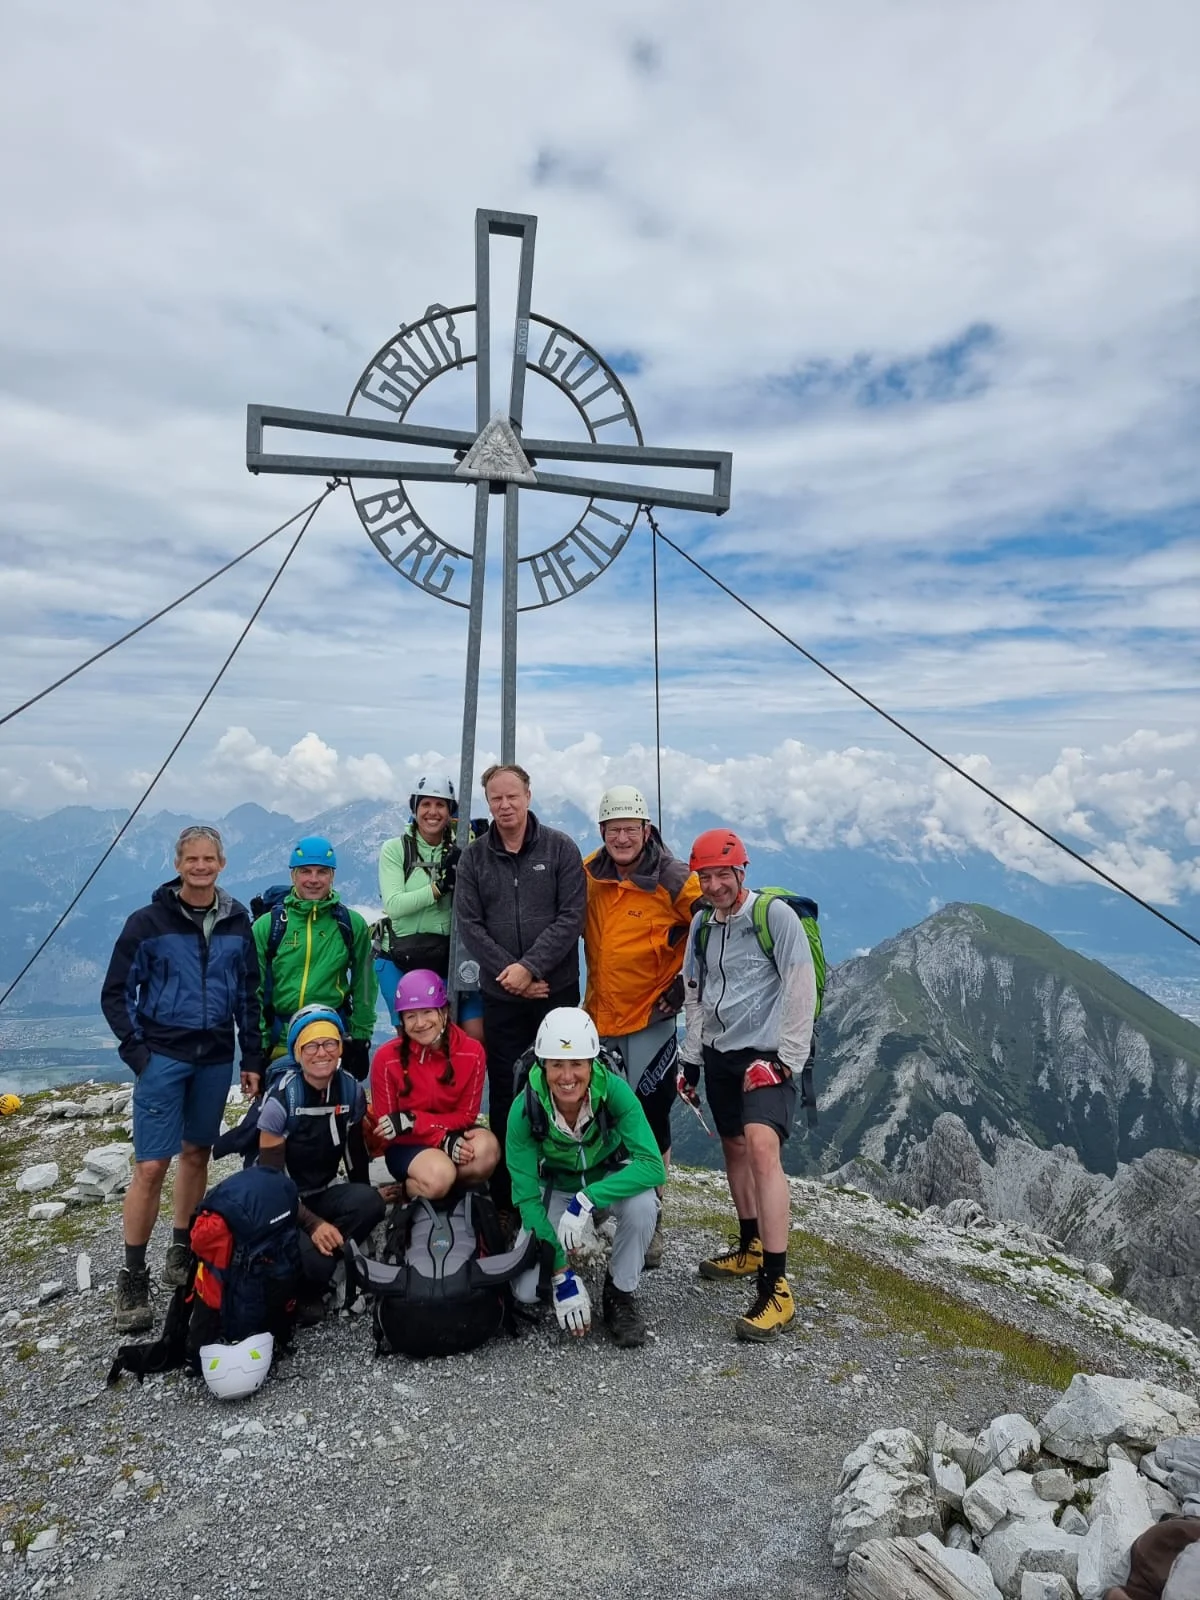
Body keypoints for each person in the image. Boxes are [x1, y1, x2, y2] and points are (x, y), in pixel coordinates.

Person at [101, 824, 264, 1333]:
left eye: (208, 859)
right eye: (191, 859)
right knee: (151, 1166)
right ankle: (133, 1274)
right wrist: (138, 1053)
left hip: (215, 1056)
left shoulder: (236, 921)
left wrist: (251, 1057)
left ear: (222, 864)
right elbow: (116, 992)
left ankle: (182, 1249)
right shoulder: (147, 922)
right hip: (163, 1056)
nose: (200, 867)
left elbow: (248, 994)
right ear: (177, 865)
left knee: (197, 1154)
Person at [677, 828, 816, 1342]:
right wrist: (691, 1061)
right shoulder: (701, 926)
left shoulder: (773, 917)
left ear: (741, 871)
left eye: (722, 874)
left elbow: (801, 988)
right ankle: (750, 1245)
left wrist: (786, 1063)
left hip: (767, 1055)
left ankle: (776, 1288)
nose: (714, 885)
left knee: (761, 1150)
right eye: (705, 876)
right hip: (719, 1054)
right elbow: (695, 991)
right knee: (734, 1147)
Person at [454, 763, 586, 1208]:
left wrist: (529, 968)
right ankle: (508, 1194)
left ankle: (562, 1180)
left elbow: (572, 917)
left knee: (563, 1082)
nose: (505, 805)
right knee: (507, 1087)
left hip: (555, 992)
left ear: (528, 795)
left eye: (512, 796)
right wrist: (512, 976)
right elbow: (470, 925)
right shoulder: (474, 857)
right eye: (496, 798)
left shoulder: (560, 848)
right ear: (488, 803)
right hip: (502, 995)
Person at [583, 785, 702, 1269]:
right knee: (597, 1113)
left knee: (651, 1118)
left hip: (651, 1019)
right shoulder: (590, 874)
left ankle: (652, 1217)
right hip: (600, 1015)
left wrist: (686, 981)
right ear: (602, 831)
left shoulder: (673, 878)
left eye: (630, 829)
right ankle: (598, 1200)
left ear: (646, 829)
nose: (622, 838)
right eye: (614, 830)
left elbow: (713, 923)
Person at [506, 1007, 664, 1348]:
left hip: (605, 1181)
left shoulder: (614, 1091)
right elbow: (527, 1198)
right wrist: (561, 1274)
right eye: (557, 1065)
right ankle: (566, 1271)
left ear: (592, 1064)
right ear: (542, 1065)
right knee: (527, 1291)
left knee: (643, 1205)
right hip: (557, 1186)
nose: (567, 1076)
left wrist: (587, 1199)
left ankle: (619, 1292)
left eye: (577, 1063)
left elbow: (653, 1166)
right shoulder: (524, 1109)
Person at [256, 1004, 385, 1323]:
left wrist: (367, 1196)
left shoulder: (350, 1091)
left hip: (322, 1191)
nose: (322, 1053)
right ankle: (308, 1279)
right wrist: (313, 1225)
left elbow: (354, 1157)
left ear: (341, 1047)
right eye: (311, 1045)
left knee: (371, 1203)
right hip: (283, 1203)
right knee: (318, 1264)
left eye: (330, 1043)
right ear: (297, 1052)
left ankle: (326, 1254)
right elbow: (271, 1184)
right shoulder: (281, 1101)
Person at [252, 835, 378, 1079]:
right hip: (281, 1039)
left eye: (322, 872)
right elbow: (254, 989)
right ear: (293, 876)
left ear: (332, 876)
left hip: (330, 1039)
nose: (313, 879)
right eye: (305, 871)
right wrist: (259, 1043)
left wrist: (361, 1037)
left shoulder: (350, 924)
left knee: (333, 1103)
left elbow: (365, 982)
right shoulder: (269, 926)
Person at [369, 969, 500, 1199]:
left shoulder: (471, 1052)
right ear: (402, 1020)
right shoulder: (386, 1059)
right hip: (406, 1144)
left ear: (444, 1011)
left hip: (452, 1134)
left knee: (487, 1151)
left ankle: (434, 1188)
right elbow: (389, 1128)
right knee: (440, 1174)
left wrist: (414, 1121)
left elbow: (466, 1116)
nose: (420, 1023)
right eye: (410, 1016)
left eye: (427, 1012)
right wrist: (440, 1139)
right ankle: (418, 1188)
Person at [375, 774, 484, 1042]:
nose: (432, 812)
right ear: (415, 808)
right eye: (425, 804)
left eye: (440, 805)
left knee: (474, 1034)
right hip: (399, 956)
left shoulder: (463, 848)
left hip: (446, 955)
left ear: (450, 812)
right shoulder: (395, 849)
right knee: (414, 1038)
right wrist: (439, 887)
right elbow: (394, 905)